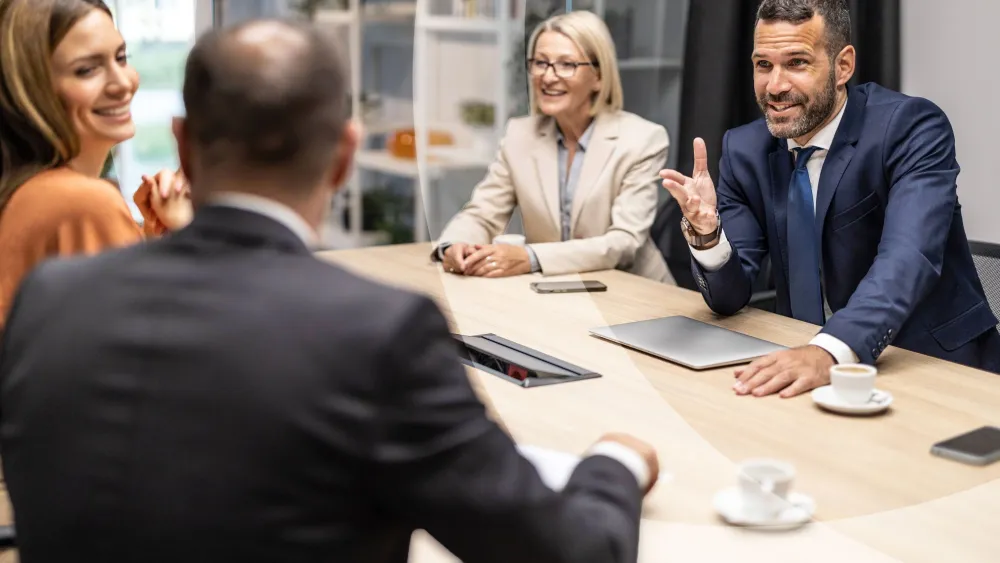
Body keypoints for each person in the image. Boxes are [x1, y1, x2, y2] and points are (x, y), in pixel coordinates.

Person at [0, 17, 662, 562]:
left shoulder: (51, 297)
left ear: (182, 141)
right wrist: (615, 463)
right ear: (345, 156)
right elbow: (573, 552)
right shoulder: (378, 332)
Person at [660, 0, 1000, 399]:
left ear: (843, 67)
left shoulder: (910, 127)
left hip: (930, 365)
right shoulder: (745, 149)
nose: (775, 86)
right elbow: (730, 296)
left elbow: (907, 258)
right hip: (803, 361)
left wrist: (827, 351)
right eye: (763, 65)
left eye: (797, 63)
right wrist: (708, 235)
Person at [432, 10, 673, 283]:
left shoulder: (642, 139)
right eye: (541, 63)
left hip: (634, 292)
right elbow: (483, 214)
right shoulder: (519, 135)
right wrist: (453, 245)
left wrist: (529, 257)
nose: (547, 77)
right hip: (555, 292)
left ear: (599, 77)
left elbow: (623, 242)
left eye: (566, 64)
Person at [0, 0, 192, 329]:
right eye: (87, 70)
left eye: (121, 58)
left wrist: (152, 240)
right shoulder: (81, 202)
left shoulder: (33, 192)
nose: (124, 83)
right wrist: (190, 236)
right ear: (32, 90)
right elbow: (153, 350)